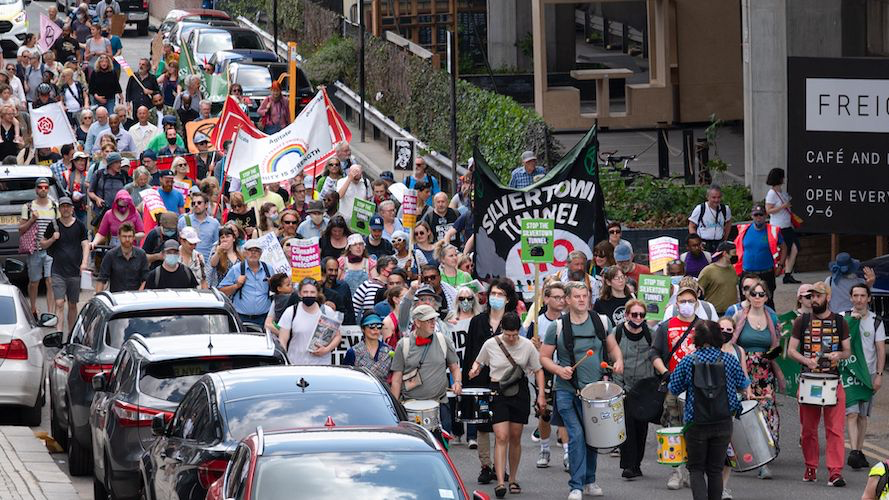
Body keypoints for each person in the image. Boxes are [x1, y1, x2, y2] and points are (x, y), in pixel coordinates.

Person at [540, 281, 623, 500]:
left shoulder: (602, 322)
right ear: (567, 300)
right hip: (567, 391)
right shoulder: (557, 326)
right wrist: (559, 369)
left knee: (592, 438)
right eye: (576, 296)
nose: (582, 300)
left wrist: (619, 360)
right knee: (576, 435)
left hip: (595, 391)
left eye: (585, 295)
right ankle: (575, 485)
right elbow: (544, 357)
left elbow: (613, 347)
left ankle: (589, 480)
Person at [668, 320, 752, 500]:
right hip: (723, 421)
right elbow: (743, 384)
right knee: (715, 469)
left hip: (696, 422)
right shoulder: (729, 359)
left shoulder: (688, 361)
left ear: (697, 338)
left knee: (696, 469)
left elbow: (674, 388)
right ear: (718, 337)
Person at [468, 311, 545, 498]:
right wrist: (474, 370)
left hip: (519, 391)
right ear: (502, 329)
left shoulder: (527, 346)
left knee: (515, 437)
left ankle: (513, 478)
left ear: (519, 331)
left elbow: (538, 370)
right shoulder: (491, 344)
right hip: (498, 390)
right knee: (501, 436)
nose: (511, 338)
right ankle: (501, 481)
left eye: (515, 335)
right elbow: (478, 362)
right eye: (508, 334)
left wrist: (541, 395)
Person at [787, 281, 852, 487]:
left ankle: (835, 472)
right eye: (811, 296)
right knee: (808, 429)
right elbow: (791, 350)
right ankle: (811, 466)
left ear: (828, 297)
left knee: (835, 429)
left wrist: (838, 354)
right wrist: (807, 361)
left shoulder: (841, 322)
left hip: (833, 380)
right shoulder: (802, 321)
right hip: (809, 381)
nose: (814, 300)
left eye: (818, 296)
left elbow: (848, 351)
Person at [464, 278, 518, 484]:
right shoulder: (477, 321)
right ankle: (485, 465)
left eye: (500, 295)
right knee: (483, 425)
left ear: (508, 299)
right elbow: (470, 353)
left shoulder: (511, 320)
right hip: (480, 379)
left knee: (502, 427)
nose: (496, 298)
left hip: (505, 381)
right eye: (493, 294)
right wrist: (467, 379)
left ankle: (500, 466)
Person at [649, 282, 701, 490]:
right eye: (682, 301)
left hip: (698, 387)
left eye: (690, 301)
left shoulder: (704, 326)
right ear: (677, 304)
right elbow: (654, 353)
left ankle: (691, 470)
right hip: (673, 385)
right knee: (673, 428)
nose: (686, 304)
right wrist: (665, 372)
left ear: (696, 304)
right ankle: (675, 471)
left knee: (695, 429)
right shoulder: (665, 326)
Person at [730, 280, 783, 479]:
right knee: (746, 416)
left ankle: (766, 458)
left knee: (769, 415)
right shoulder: (739, 317)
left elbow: (778, 346)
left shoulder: (773, 317)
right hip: (744, 371)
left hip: (765, 373)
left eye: (762, 294)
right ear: (748, 297)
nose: (758, 298)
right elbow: (731, 344)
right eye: (755, 294)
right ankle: (746, 456)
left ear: (767, 297)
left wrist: (772, 354)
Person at [390, 304, 463, 436]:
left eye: (434, 320)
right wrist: (394, 408)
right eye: (429, 320)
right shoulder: (403, 344)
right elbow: (396, 380)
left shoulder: (442, 340)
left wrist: (457, 382)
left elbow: (455, 367)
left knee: (441, 449)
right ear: (417, 322)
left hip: (440, 405)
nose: (433, 323)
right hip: (411, 406)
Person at [527, 282, 569, 471]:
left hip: (563, 370)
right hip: (543, 371)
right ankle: (544, 449)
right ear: (546, 299)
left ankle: (568, 452)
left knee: (564, 411)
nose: (560, 301)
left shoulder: (568, 321)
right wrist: (533, 345)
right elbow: (526, 347)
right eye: (556, 297)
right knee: (544, 412)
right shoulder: (537, 322)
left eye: (562, 297)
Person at [843, 284, 885, 470]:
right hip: (849, 371)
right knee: (851, 413)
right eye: (855, 295)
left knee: (862, 416)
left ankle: (858, 451)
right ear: (851, 298)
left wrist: (878, 375)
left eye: (862, 296)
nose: (859, 299)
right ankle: (853, 451)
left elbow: (880, 350)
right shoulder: (843, 317)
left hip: (867, 373)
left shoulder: (877, 321)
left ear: (868, 298)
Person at [612, 299, 655, 480]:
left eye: (641, 315)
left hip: (644, 387)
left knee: (641, 427)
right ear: (627, 315)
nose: (638, 318)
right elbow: (610, 353)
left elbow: (656, 355)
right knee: (626, 426)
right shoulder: (617, 332)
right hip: (622, 385)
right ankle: (628, 465)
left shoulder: (650, 333)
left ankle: (637, 464)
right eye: (634, 314)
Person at [39, 196, 87, 331]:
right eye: (63, 206)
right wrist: (52, 239)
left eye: (68, 206)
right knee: (59, 303)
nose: (65, 209)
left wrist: (84, 263)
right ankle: (59, 334)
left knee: (72, 304)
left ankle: (71, 333)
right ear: (59, 209)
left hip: (74, 271)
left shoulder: (79, 225)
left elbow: (85, 244)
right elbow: (42, 244)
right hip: (58, 271)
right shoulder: (53, 225)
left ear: (72, 209)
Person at [733, 203, 786, 308]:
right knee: (745, 303)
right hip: (747, 273)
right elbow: (737, 248)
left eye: (761, 215)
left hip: (766, 273)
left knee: (768, 302)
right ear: (752, 216)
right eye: (756, 215)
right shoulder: (744, 230)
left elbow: (784, 247)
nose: (758, 217)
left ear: (766, 215)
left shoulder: (772, 230)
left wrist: (781, 265)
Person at [19, 178, 59, 317]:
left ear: (48, 189)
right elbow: (21, 229)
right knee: (34, 282)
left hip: (51, 249)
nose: (43, 189)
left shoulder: (54, 206)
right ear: (36, 189)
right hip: (34, 250)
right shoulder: (28, 207)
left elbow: (58, 226)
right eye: (40, 187)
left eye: (46, 187)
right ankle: (33, 309)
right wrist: (32, 220)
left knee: (50, 281)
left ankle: (50, 313)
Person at [278, 278, 341, 364]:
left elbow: (337, 336)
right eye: (305, 292)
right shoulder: (291, 312)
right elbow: (282, 341)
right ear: (300, 293)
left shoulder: (327, 312)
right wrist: (285, 362)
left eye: (312, 292)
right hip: (296, 364)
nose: (309, 295)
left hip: (321, 365)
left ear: (318, 293)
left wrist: (326, 350)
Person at [218, 239, 273, 327]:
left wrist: (272, 284)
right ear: (244, 253)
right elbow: (221, 291)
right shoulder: (236, 269)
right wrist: (236, 285)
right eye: (250, 250)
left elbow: (278, 290)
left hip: (264, 318)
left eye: (257, 251)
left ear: (261, 253)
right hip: (242, 318)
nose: (253, 253)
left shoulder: (269, 268)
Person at [764, 168, 801, 284]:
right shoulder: (771, 194)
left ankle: (787, 273)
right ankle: (785, 272)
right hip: (779, 226)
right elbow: (768, 210)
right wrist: (783, 206)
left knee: (793, 248)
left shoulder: (781, 193)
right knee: (788, 249)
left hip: (787, 225)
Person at [95, 222, 147, 292]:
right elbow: (101, 279)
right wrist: (98, 298)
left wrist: (139, 294)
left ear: (134, 237)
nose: (127, 239)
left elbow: (145, 279)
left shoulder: (141, 254)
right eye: (124, 236)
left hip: (136, 297)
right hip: (116, 297)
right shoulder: (110, 255)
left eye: (130, 236)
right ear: (119, 237)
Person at [343, 313, 394, 383]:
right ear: (363, 329)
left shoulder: (389, 351)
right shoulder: (353, 352)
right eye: (371, 326)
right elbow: (346, 378)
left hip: (383, 391)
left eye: (379, 326)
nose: (376, 329)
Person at [697, 242, 739, 316]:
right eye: (733, 253)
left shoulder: (733, 269)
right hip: (715, 313)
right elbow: (698, 291)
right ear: (725, 253)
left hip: (733, 313)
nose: (735, 255)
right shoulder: (708, 271)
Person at [688, 185, 732, 253]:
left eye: (719, 197)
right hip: (704, 243)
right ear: (707, 197)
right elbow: (691, 226)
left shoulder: (725, 209)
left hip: (719, 243)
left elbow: (728, 223)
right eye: (714, 197)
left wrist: (725, 239)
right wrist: (697, 242)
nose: (716, 200)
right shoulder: (700, 209)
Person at [178, 191, 220, 261]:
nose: (196, 205)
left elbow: (216, 246)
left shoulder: (214, 223)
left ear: (206, 205)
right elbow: (180, 242)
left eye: (199, 202)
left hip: (207, 264)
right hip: (187, 263)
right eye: (193, 203)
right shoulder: (183, 220)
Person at [352, 256, 396, 321]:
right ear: (382, 270)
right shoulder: (367, 285)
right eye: (392, 269)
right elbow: (354, 308)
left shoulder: (394, 287)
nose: (394, 272)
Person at [321, 256, 356, 326]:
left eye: (336, 270)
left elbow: (350, 312)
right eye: (330, 270)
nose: (334, 273)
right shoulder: (317, 289)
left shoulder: (343, 286)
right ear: (324, 271)